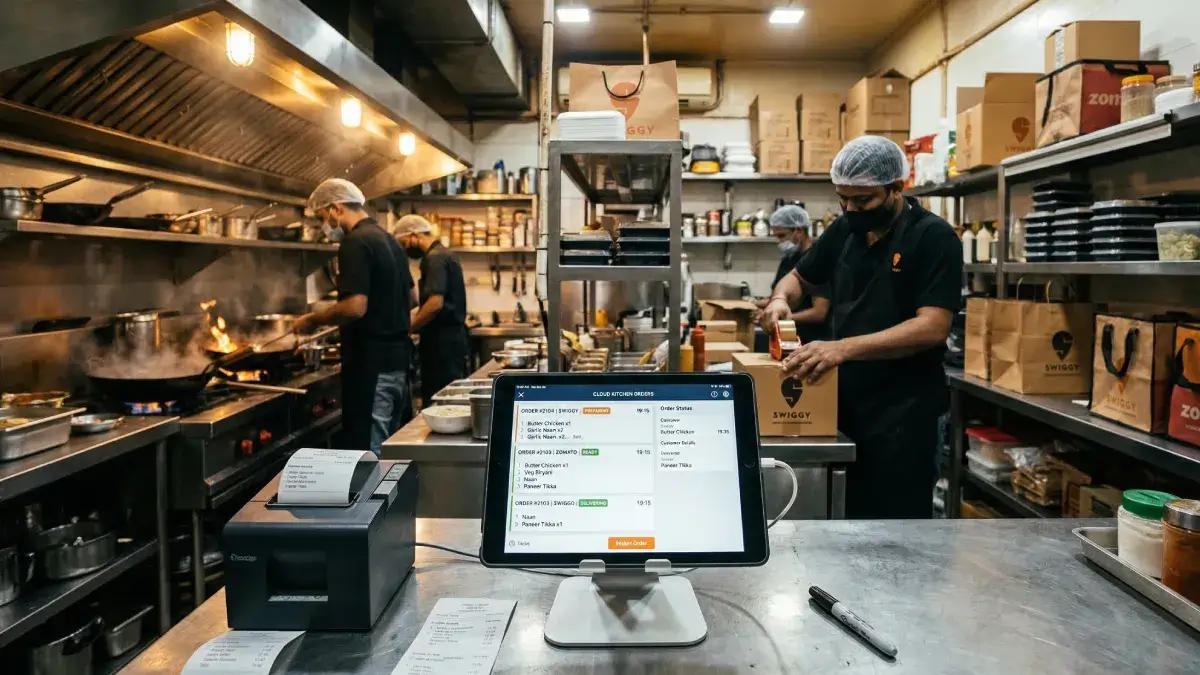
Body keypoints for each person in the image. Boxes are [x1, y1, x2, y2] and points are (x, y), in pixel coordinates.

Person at [761, 136, 962, 519]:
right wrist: (779, 300)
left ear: (896, 188)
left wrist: (841, 348)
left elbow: (933, 326)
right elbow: (799, 279)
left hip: (904, 413)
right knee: (845, 518)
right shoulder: (846, 230)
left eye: (863, 200)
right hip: (847, 404)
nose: (851, 209)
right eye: (843, 199)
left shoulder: (933, 237)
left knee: (896, 530)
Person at [294, 179, 414, 456]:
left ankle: (371, 501)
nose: (326, 225)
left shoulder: (354, 243)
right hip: (398, 363)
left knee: (369, 453)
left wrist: (314, 319)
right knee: (388, 449)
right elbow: (414, 296)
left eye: (324, 217)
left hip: (371, 365)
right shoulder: (390, 241)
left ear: (336, 208)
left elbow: (355, 306)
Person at [394, 215, 469, 404]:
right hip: (449, 343)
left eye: (403, 243)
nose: (404, 249)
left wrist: (409, 327)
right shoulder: (443, 254)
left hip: (442, 346)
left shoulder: (434, 258)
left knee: (442, 403)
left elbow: (435, 303)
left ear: (414, 235)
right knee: (450, 401)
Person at [759, 205, 831, 344]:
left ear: (798, 230)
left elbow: (819, 313)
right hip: (787, 336)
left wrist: (783, 318)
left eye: (782, 236)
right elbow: (779, 297)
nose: (779, 242)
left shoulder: (816, 261)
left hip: (812, 340)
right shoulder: (789, 259)